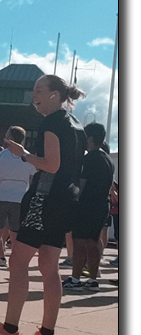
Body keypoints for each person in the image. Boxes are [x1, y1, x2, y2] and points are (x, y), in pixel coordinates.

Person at [0, 74, 87, 335]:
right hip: (67, 199)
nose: (33, 95)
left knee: (18, 262)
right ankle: (46, 334)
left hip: (45, 198)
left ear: (54, 94)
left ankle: (9, 330)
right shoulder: (77, 125)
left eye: (39, 90)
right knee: (49, 265)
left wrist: (24, 154)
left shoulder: (52, 122)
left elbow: (50, 165)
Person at [64, 122, 115, 292]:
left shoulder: (89, 158)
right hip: (102, 204)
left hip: (86, 205)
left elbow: (82, 184)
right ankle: (93, 279)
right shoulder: (108, 159)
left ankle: (75, 278)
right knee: (94, 242)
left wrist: (72, 201)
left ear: (91, 139)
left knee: (78, 242)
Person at [0, 127, 34, 279]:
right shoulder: (28, 157)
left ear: (9, 137)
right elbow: (33, 178)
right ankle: (15, 269)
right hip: (20, 200)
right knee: (17, 239)